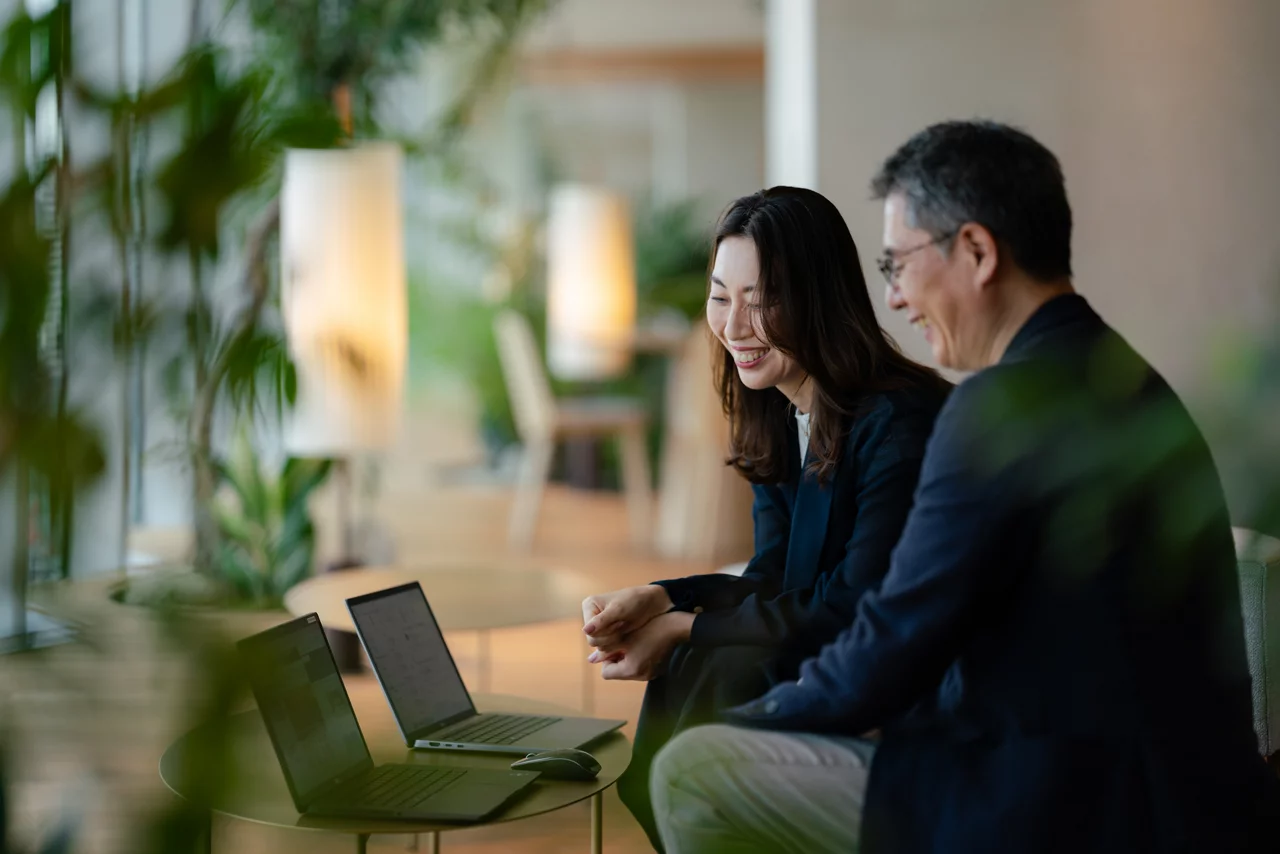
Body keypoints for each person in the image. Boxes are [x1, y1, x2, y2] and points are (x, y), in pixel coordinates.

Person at [649, 121, 1280, 854]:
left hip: (1064, 804)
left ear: (977, 252)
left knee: (693, 769)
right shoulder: (1117, 378)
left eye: (899, 265)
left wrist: (750, 719)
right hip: (1167, 793)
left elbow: (891, 637)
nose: (894, 299)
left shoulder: (998, 410)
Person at [580, 186, 950, 847]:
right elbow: (774, 576)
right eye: (722, 296)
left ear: (820, 300)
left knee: (711, 664)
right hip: (835, 658)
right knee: (704, 664)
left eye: (764, 300)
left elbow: (851, 603)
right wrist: (661, 598)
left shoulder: (895, 426)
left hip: (915, 705)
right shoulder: (781, 410)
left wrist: (685, 630)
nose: (735, 324)